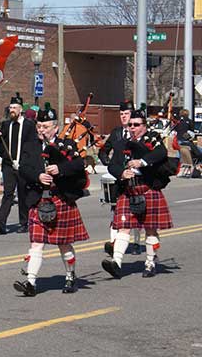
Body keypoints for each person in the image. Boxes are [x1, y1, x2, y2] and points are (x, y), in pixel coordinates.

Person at [12, 105, 89, 296]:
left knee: (63, 243)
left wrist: (60, 170)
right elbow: (24, 169)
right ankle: (30, 282)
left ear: (55, 128)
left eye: (45, 127)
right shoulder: (31, 146)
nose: (41, 130)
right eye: (39, 126)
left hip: (60, 198)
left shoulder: (66, 145)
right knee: (36, 243)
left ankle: (70, 277)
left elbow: (80, 164)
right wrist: (38, 176)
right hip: (39, 199)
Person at [101, 107, 174, 279]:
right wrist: (121, 173)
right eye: (130, 124)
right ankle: (116, 263)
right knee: (123, 227)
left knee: (150, 230)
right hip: (128, 190)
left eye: (136, 124)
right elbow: (113, 165)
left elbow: (161, 153)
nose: (132, 127)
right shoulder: (122, 143)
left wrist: (141, 162)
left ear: (144, 126)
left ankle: (150, 263)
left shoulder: (152, 139)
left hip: (147, 188)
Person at [98, 100, 143, 256]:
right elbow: (104, 151)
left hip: (135, 176)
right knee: (116, 209)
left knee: (137, 209)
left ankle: (137, 242)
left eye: (127, 114)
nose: (124, 117)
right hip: (118, 176)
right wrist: (109, 163)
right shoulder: (116, 132)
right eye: (122, 114)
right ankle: (114, 243)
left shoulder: (138, 132)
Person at [0, 93, 37, 234]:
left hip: (23, 165)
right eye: (10, 107)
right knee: (8, 193)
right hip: (9, 165)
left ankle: (24, 223)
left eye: (14, 107)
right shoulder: (5, 125)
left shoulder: (29, 125)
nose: (12, 110)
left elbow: (32, 146)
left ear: (20, 109)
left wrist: (23, 162)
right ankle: (0, 222)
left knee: (23, 193)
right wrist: (6, 157)